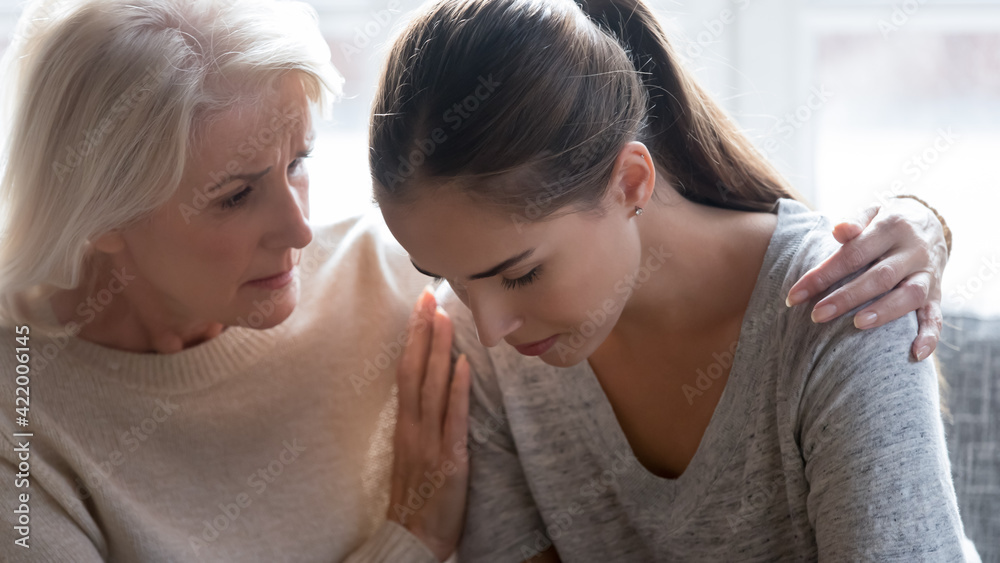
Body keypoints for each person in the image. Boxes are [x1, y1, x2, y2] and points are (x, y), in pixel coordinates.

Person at [0, 0, 956, 561]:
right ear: (103, 216)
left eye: (297, 163)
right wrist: (413, 538)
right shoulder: (25, 411)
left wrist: (922, 217)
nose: (298, 224)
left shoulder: (422, 296)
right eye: (234, 194)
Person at [370, 0, 980, 560]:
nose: (491, 329)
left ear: (631, 182)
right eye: (446, 276)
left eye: (521, 274)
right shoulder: (474, 349)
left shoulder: (848, 312)